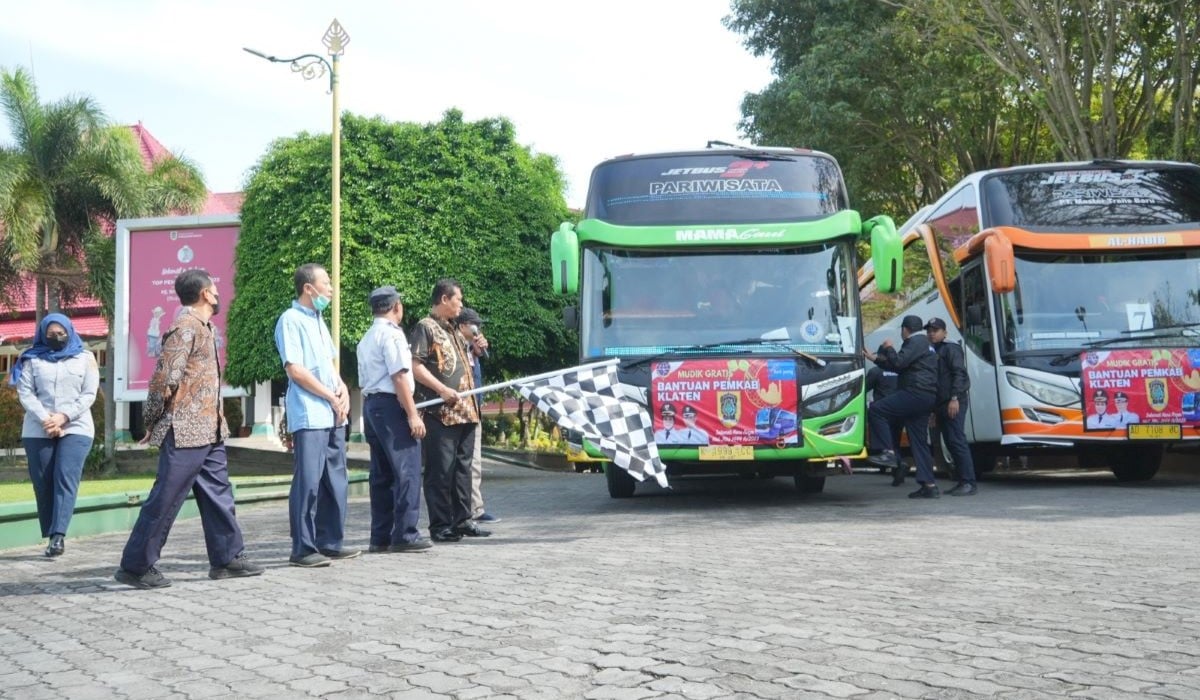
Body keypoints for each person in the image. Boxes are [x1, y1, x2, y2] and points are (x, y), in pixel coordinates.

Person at [115, 269, 263, 588]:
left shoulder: (205, 328)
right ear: (205, 294)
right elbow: (164, 380)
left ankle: (227, 558)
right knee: (166, 498)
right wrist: (152, 421)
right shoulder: (184, 328)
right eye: (214, 288)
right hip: (184, 429)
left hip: (210, 430)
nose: (217, 292)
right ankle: (135, 566)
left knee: (218, 495)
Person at [275, 263, 358, 567]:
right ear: (309, 288)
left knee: (335, 480)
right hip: (310, 413)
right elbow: (296, 370)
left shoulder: (320, 320)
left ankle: (330, 541)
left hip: (334, 413)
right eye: (326, 282)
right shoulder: (290, 320)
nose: (331, 288)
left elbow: (329, 366)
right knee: (308, 481)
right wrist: (328, 395)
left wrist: (343, 391)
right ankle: (303, 548)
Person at [12, 313, 100, 557]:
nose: (56, 338)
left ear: (70, 332)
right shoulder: (30, 358)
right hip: (38, 427)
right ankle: (51, 531)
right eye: (50, 334)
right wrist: (47, 419)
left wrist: (63, 417)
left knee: (65, 476)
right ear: (42, 335)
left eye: (61, 333)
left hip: (76, 425)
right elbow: (26, 393)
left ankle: (57, 536)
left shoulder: (86, 358)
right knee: (43, 481)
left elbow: (89, 394)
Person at [410, 278, 490, 543]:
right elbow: (416, 366)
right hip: (441, 412)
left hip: (466, 411)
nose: (461, 305)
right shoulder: (426, 327)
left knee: (463, 469)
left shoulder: (455, 330)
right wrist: (441, 390)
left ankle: (463, 519)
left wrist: (477, 349)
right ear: (444, 299)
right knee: (441, 470)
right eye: (459, 299)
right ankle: (441, 524)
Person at [357, 286, 431, 554]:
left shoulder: (367, 337)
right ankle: (405, 534)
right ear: (396, 307)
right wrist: (412, 414)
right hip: (391, 406)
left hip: (372, 407)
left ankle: (380, 536)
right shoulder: (392, 335)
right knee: (407, 471)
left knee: (381, 474)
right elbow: (399, 376)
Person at [863, 314, 941, 498]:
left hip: (915, 392)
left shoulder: (915, 342)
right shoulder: (926, 344)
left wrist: (889, 348)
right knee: (919, 442)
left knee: (876, 410)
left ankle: (888, 452)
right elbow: (900, 367)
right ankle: (929, 485)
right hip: (926, 396)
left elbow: (898, 362)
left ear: (905, 330)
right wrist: (875, 359)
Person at [455, 307, 498, 524]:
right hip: (460, 413)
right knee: (467, 463)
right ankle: (469, 510)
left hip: (474, 410)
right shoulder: (456, 346)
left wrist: (478, 352)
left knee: (475, 463)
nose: (477, 330)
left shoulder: (471, 350)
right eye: (474, 326)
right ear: (462, 326)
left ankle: (475, 508)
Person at [926, 317, 977, 496]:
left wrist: (954, 398)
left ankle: (969, 482)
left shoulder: (951, 348)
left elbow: (959, 374)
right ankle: (961, 480)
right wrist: (933, 411)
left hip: (953, 401)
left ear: (944, 332)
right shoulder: (933, 350)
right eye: (929, 330)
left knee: (957, 440)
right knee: (950, 442)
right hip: (940, 404)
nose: (931, 333)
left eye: (935, 330)